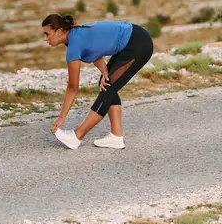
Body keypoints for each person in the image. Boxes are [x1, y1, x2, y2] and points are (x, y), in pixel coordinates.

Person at [41, 14, 154, 150]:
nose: (45, 38)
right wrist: (105, 71)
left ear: (59, 32)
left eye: (47, 34)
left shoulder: (74, 45)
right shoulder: (74, 36)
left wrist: (61, 118)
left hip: (137, 43)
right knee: (106, 82)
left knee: (108, 87)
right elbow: (93, 49)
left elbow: (72, 87)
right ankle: (116, 137)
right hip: (135, 38)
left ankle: (77, 136)